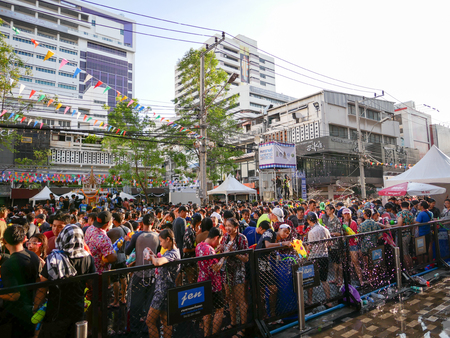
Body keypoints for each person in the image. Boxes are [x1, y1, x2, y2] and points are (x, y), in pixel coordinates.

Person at [34, 224, 95, 338]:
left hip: (57, 309)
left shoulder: (54, 258)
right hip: (78, 306)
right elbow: (91, 282)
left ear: (63, 237)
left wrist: (36, 307)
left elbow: (43, 285)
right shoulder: (88, 257)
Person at [0, 225, 40, 337]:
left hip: (15, 314)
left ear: (4, 241)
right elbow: (38, 280)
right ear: (24, 239)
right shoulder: (33, 256)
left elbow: (14, 295)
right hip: (32, 307)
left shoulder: (7, 265)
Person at [125, 213, 160, 335]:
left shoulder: (137, 236)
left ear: (142, 224)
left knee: (135, 301)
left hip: (139, 272)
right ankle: (148, 325)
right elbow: (159, 253)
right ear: (152, 223)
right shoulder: (157, 236)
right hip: (153, 273)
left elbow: (127, 251)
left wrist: (128, 241)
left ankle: (134, 327)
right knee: (150, 300)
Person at [146, 229, 180, 338]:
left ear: (168, 239)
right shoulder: (173, 251)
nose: (160, 244)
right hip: (167, 289)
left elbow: (158, 263)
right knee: (165, 320)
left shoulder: (173, 253)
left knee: (150, 321)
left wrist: (152, 257)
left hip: (162, 291)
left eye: (161, 241)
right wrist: (153, 255)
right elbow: (162, 263)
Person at [218, 217, 248, 335]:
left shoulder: (242, 238)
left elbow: (246, 258)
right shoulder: (225, 237)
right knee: (229, 298)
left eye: (230, 226)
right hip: (226, 270)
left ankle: (243, 327)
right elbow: (223, 253)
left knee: (241, 300)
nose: (228, 228)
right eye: (226, 226)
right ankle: (233, 323)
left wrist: (233, 253)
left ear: (236, 227)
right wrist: (221, 249)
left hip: (238, 271)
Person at [256, 221, 291, 320]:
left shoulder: (276, 239)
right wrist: (282, 243)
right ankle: (264, 316)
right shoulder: (270, 232)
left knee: (273, 289)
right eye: (285, 231)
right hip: (258, 263)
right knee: (261, 292)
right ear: (279, 229)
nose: (286, 234)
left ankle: (272, 314)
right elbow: (267, 245)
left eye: (288, 233)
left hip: (266, 265)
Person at [196, 227, 224, 336]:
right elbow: (216, 267)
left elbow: (207, 258)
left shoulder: (200, 246)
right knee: (219, 310)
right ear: (216, 238)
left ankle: (206, 334)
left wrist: (216, 251)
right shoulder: (210, 249)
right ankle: (214, 334)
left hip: (202, 280)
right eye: (219, 240)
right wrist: (223, 256)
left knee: (206, 311)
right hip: (214, 284)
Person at [305, 212, 332, 306]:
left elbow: (310, 246)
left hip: (314, 257)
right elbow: (330, 243)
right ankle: (329, 301)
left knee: (311, 280)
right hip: (324, 256)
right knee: (324, 280)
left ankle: (310, 300)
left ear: (309, 221)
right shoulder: (325, 229)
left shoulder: (311, 232)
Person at [107, 213, 130, 308]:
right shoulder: (127, 229)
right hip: (124, 256)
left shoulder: (113, 231)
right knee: (123, 277)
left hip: (115, 257)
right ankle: (123, 298)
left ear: (115, 220)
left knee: (115, 279)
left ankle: (116, 300)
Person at [341, 208, 363, 286]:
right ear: (342, 215)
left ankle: (361, 281)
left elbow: (354, 235)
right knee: (345, 263)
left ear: (350, 215)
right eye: (345, 214)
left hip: (352, 244)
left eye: (348, 214)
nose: (346, 215)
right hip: (344, 245)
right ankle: (345, 281)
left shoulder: (353, 223)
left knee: (355, 262)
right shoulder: (340, 222)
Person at [358, 209, 382, 282]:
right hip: (374, 245)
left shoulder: (362, 225)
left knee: (367, 263)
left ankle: (370, 278)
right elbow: (380, 235)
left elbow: (360, 236)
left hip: (365, 246)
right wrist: (374, 238)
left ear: (365, 215)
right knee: (375, 261)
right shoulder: (376, 223)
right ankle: (376, 277)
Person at [322, 205, 343, 286]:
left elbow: (339, 233)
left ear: (332, 210)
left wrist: (330, 234)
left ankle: (341, 280)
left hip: (336, 245)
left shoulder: (336, 220)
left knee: (339, 263)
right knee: (334, 263)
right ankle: (336, 278)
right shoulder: (328, 219)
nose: (326, 211)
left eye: (327, 209)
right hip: (331, 245)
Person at [396, 201, 414, 271]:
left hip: (402, 235)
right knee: (407, 252)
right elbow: (412, 224)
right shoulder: (411, 213)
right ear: (408, 206)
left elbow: (399, 224)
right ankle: (411, 268)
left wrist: (390, 226)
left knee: (404, 253)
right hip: (408, 233)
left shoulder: (400, 214)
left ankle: (408, 270)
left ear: (401, 206)